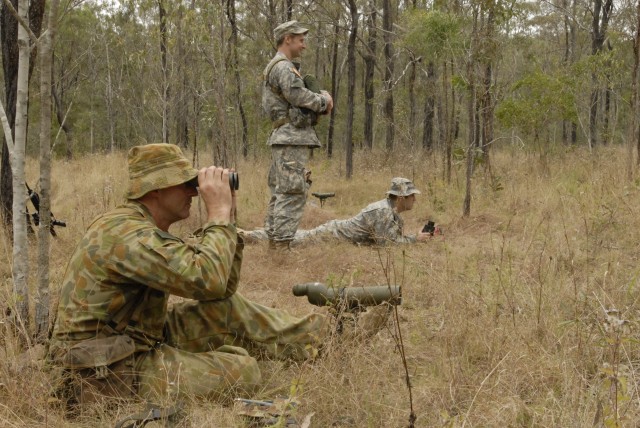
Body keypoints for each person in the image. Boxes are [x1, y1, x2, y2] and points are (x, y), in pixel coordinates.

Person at [47, 143, 328, 408]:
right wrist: (216, 212)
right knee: (244, 371)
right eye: (185, 184)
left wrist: (226, 216)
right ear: (154, 189)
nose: (193, 193)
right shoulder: (125, 234)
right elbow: (206, 279)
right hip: (106, 371)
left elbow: (220, 290)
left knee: (226, 309)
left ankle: (321, 341)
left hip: (133, 340)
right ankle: (223, 359)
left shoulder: (139, 227)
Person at [262, 20, 334, 251]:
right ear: (287, 39)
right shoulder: (283, 67)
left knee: (281, 192)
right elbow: (297, 96)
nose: (304, 45)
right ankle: (281, 247)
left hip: (285, 137)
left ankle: (275, 243)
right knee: (292, 191)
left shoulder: (281, 66)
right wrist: (324, 101)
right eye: (300, 40)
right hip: (290, 137)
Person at [244, 177, 440, 246]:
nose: (415, 199)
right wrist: (416, 240)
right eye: (411, 195)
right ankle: (248, 236)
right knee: (290, 240)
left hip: (336, 234)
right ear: (400, 198)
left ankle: (256, 233)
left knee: (294, 237)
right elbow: (388, 246)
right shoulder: (383, 212)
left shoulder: (390, 212)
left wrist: (419, 237)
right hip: (332, 236)